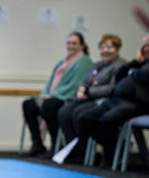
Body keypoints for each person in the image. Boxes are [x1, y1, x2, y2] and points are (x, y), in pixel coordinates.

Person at [77, 35, 149, 167]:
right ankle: (114, 147)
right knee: (85, 118)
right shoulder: (141, 62)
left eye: (148, 45)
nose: (145, 48)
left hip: (138, 104)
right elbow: (120, 75)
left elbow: (143, 76)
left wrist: (133, 72)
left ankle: (111, 153)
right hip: (117, 100)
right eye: (144, 45)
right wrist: (136, 62)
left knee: (108, 119)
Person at [57, 34, 127, 162]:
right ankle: (73, 150)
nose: (105, 50)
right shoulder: (97, 64)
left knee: (80, 114)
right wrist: (82, 89)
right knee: (64, 112)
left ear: (117, 49)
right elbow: (85, 80)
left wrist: (89, 91)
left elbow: (113, 88)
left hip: (105, 100)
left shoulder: (120, 66)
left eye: (109, 47)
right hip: (88, 98)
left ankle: (85, 153)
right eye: (102, 47)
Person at [22, 32, 93, 157]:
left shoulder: (84, 61)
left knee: (49, 105)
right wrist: (45, 95)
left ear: (82, 46)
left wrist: (54, 95)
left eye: (74, 43)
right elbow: (50, 83)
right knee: (28, 104)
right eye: (69, 43)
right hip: (54, 96)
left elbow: (75, 85)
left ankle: (56, 144)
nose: (71, 46)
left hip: (68, 98)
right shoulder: (62, 61)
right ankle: (37, 143)